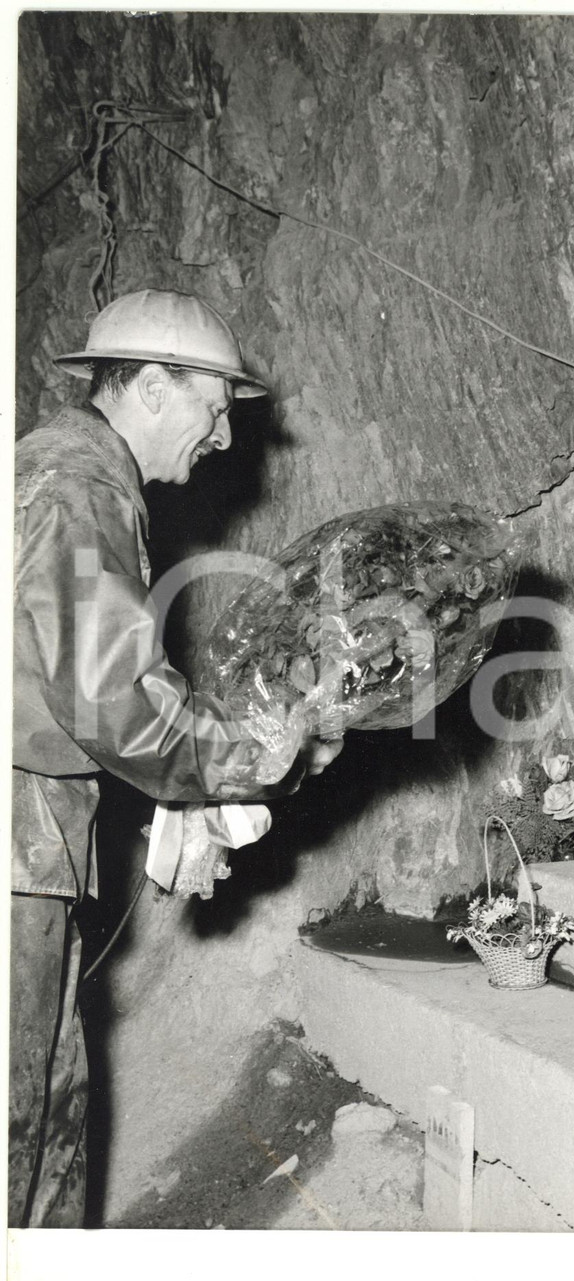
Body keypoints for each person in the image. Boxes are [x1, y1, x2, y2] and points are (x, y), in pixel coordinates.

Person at [10, 289, 341, 1227]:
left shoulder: (62, 477)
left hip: (33, 849)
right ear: (152, 386)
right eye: (215, 406)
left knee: (47, 1109)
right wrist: (260, 755)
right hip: (15, 849)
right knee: (19, 1122)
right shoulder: (78, 489)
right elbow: (115, 697)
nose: (225, 438)